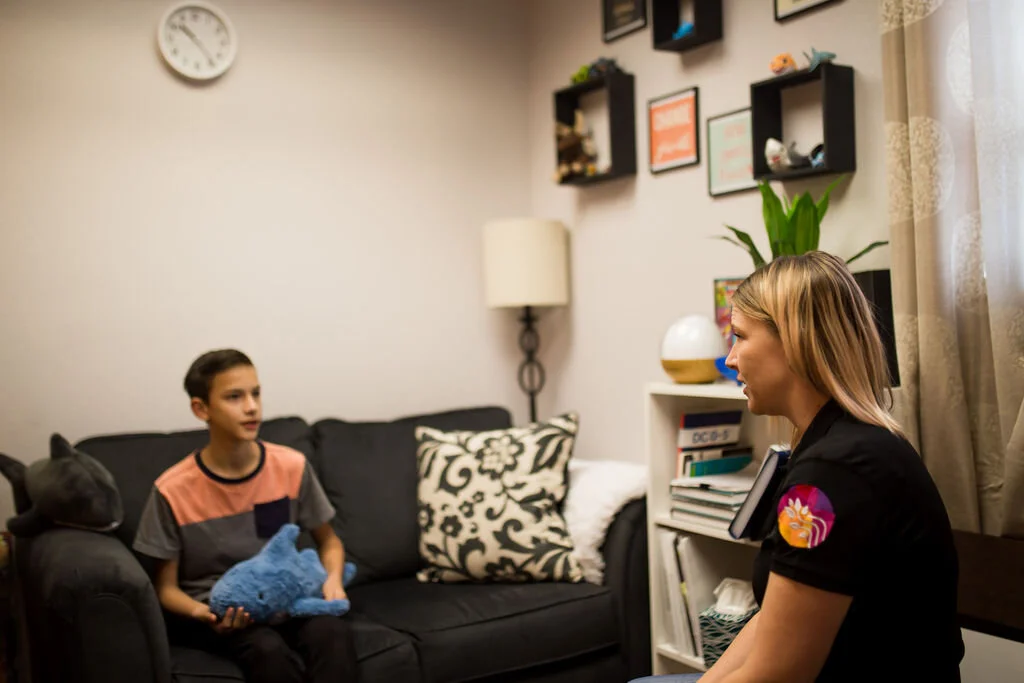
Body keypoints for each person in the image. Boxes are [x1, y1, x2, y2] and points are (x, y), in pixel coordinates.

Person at [633, 252, 964, 683]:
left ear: (794, 341)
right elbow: (772, 621)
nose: (730, 359)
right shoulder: (836, 446)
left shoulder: (833, 474)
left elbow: (778, 674)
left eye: (740, 337)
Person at [133, 349, 357, 683]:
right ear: (201, 409)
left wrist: (333, 581)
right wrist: (206, 615)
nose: (252, 407)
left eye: (256, 393)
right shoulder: (171, 490)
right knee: (266, 649)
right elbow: (166, 589)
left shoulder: (291, 466)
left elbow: (330, 542)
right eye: (234, 397)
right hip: (222, 613)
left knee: (332, 633)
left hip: (288, 599)